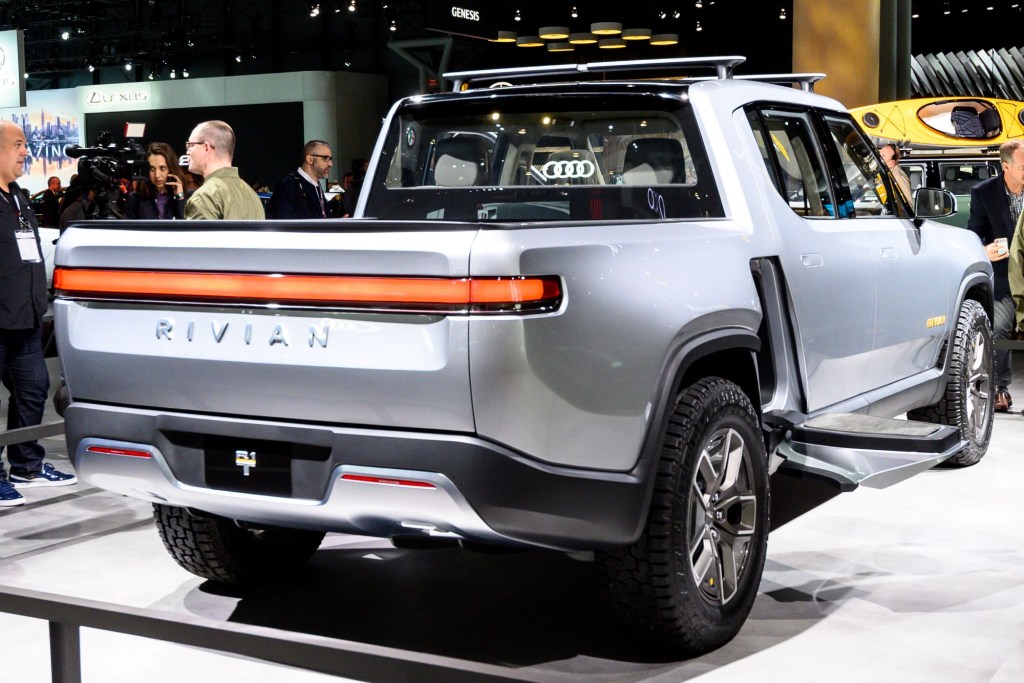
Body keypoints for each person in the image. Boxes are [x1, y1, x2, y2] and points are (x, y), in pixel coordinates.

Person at [0, 120, 77, 506]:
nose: (25, 151)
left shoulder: (18, 196)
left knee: (33, 388)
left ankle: (26, 464)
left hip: (27, 317)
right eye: (17, 144)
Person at [967, 139, 1024, 413]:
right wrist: (983, 251)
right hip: (1002, 280)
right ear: (1006, 166)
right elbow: (973, 236)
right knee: (999, 329)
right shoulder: (984, 193)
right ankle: (1000, 388)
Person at [183, 120, 264, 220]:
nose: (187, 151)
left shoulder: (205, 196)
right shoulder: (252, 196)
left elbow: (199, 236)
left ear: (206, 147)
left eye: (190, 145)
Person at [268, 140, 334, 219]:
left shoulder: (316, 185)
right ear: (309, 159)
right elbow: (284, 222)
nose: (330, 164)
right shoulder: (288, 184)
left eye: (330, 159)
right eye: (325, 158)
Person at [125, 142, 188, 220]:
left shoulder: (188, 196)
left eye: (162, 168)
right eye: (152, 169)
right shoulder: (135, 198)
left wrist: (180, 197)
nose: (157, 175)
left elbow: (186, 227)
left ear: (171, 168)